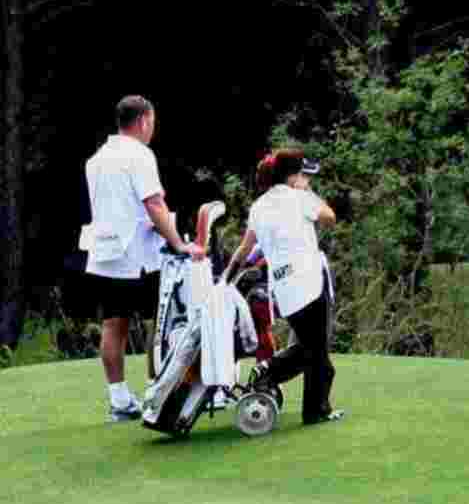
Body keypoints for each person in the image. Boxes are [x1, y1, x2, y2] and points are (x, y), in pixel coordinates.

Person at [80, 95, 204, 422]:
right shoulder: (139, 155)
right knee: (160, 323)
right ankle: (158, 392)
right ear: (144, 120)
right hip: (138, 255)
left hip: (106, 252)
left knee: (113, 324)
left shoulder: (96, 159)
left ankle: (119, 399)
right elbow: (154, 204)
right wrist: (179, 242)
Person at [223, 149, 343, 425]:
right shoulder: (301, 197)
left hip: (285, 291)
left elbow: (244, 249)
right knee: (317, 354)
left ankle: (282, 381)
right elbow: (330, 217)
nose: (307, 181)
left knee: (312, 350)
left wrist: (226, 279)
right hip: (311, 284)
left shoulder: (259, 206)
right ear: (293, 176)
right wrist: (306, 193)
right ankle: (283, 383)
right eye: (303, 176)